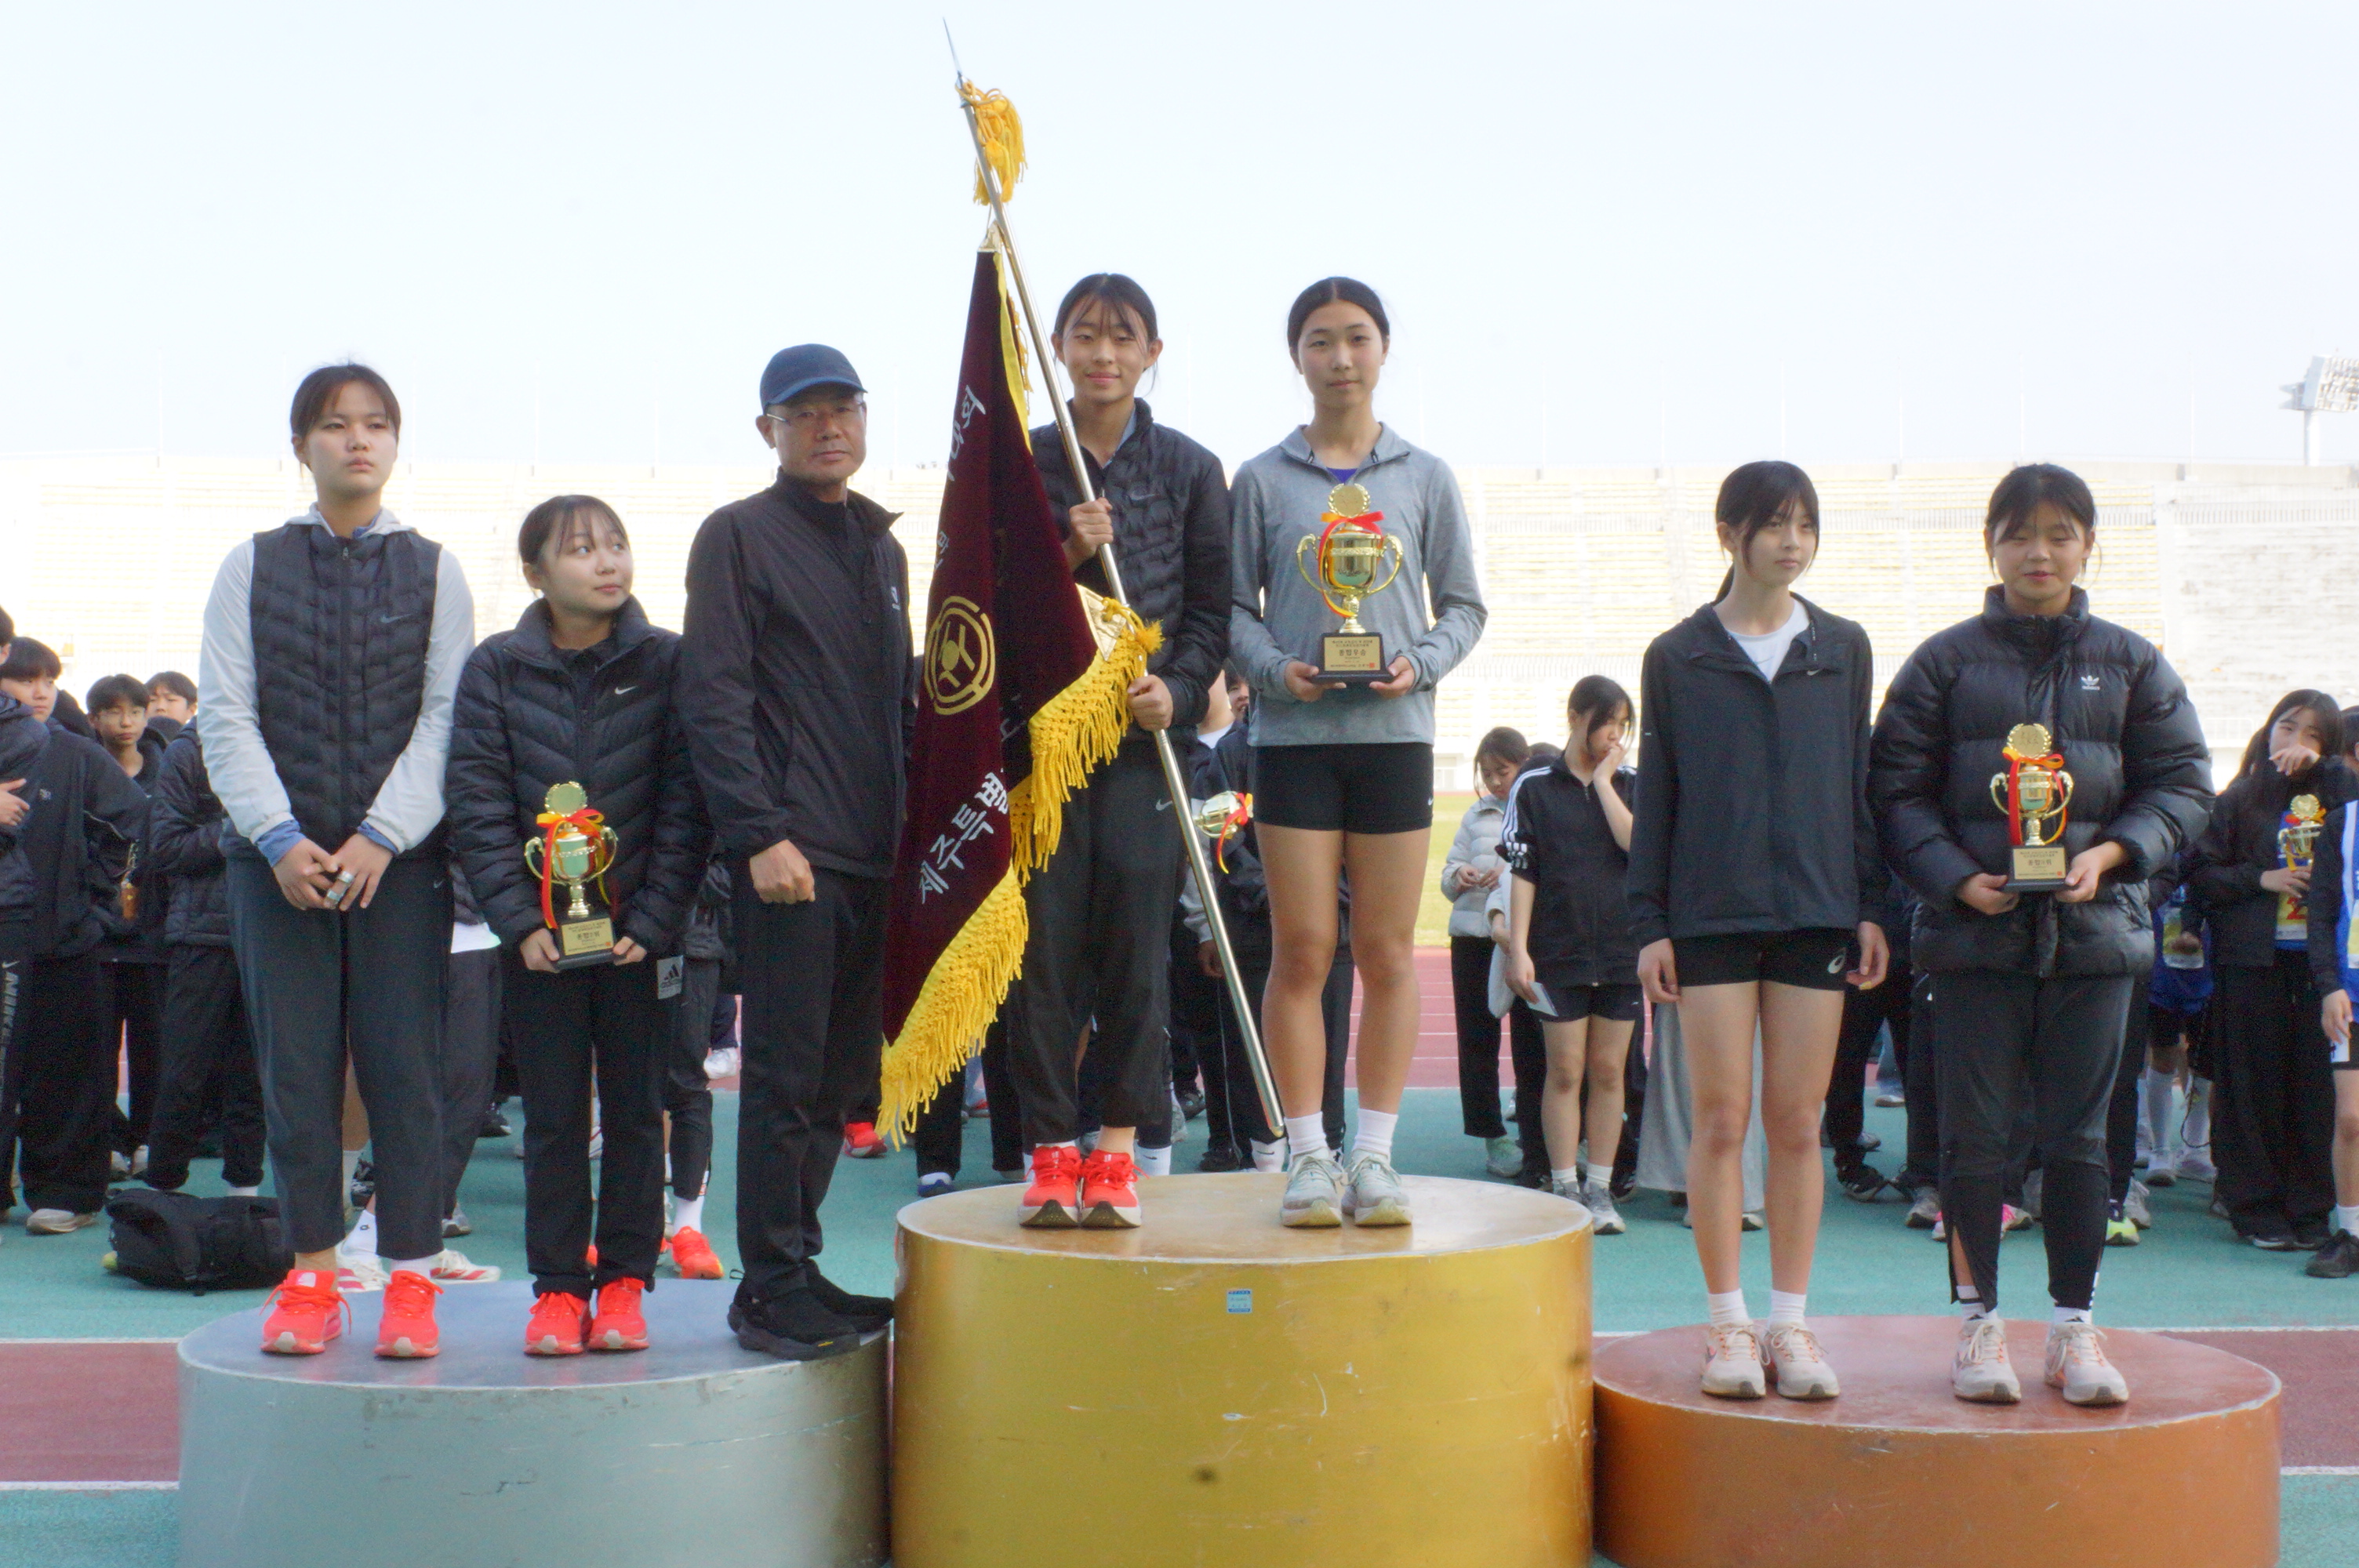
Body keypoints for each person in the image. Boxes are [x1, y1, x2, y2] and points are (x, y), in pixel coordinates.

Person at [1872, 463, 2212, 1408]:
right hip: (1971, 940)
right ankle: (1976, 1324)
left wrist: (2112, 853)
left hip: (2096, 937)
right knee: (1971, 1143)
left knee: (2079, 1144)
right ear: (1989, 544)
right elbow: (1892, 792)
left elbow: (2183, 785)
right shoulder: (1941, 663)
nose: (2038, 551)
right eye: (2018, 533)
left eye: (2059, 533)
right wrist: (1952, 877)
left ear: (2087, 546)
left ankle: (2071, 1325)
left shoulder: (2132, 662)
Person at [198, 364, 475, 1358]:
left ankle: (410, 1276)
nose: (357, 439)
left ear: (395, 443)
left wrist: (382, 835)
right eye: (334, 424)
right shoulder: (250, 565)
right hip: (275, 869)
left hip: (400, 868)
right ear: (300, 446)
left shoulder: (437, 569)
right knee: (296, 1074)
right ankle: (312, 1274)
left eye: (376, 424)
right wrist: (276, 836)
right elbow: (225, 712)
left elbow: (447, 717)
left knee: (405, 1074)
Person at [1230, 277, 1488, 1229]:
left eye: (1355, 338)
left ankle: (1372, 1156)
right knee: (1302, 948)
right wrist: (1273, 670)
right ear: (1295, 356)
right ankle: (1305, 1154)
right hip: (1292, 740)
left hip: (1394, 739)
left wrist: (1419, 662)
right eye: (1319, 340)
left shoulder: (1425, 476)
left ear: (1382, 348)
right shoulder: (1261, 479)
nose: (1339, 358)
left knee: (1383, 950)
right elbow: (1232, 608)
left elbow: (1463, 605)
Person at [1629, 460, 1888, 1403]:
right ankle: (1727, 1323)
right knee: (1719, 1119)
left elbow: (1858, 783)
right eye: (1774, 523)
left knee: (1794, 1121)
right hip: (1709, 916)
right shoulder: (1676, 655)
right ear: (1727, 534)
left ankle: (1788, 1320)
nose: (1792, 541)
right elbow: (1658, 796)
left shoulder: (1843, 646)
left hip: (1816, 913)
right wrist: (1649, 921)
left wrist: (1869, 902)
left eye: (1804, 524)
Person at [678, 344, 907, 1359]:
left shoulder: (883, 548)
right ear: (767, 430)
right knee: (781, 1075)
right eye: (803, 413)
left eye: (842, 408)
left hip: (870, 854)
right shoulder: (736, 535)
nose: (827, 427)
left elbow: (898, 705)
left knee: (837, 1080)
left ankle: (798, 1264)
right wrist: (759, 834)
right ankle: (766, 1284)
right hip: (790, 855)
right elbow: (713, 696)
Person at [447, 493, 707, 1356]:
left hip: (640, 940)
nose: (607, 561)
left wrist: (658, 917)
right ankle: (558, 1290)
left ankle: (626, 1282)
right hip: (539, 945)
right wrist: (518, 919)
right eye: (582, 548)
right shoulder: (495, 667)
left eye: (616, 544)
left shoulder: (670, 661)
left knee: (636, 1113)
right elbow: (478, 802)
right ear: (535, 573)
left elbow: (688, 802)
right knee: (554, 1121)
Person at [1006, 274, 1229, 1229]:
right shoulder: (1021, 462)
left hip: (1145, 751)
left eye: (1122, 335)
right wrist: (1061, 551)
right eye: (1085, 334)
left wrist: (1175, 688)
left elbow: (1213, 611)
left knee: (1138, 954)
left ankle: (1115, 1150)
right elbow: (982, 607)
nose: (1103, 352)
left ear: (1152, 353)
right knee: (1044, 955)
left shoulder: (1190, 468)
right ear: (1056, 346)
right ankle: (1049, 1150)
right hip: (1046, 747)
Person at [2186, 691, 2346, 1251]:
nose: (2296, 741)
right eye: (2287, 727)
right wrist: (2262, 879)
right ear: (2268, 730)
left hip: (2324, 969)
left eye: (2314, 734)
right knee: (2251, 1087)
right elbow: (2201, 876)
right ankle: (2254, 1207)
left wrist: (2326, 769)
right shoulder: (2240, 798)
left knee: (2316, 1090)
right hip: (2251, 962)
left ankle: (2311, 1207)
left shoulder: (2339, 795)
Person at [0, 637, 148, 1234]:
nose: (39, 692)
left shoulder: (74, 753)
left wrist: (94, 901)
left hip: (61, 937)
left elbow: (132, 821)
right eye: (25, 679)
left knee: (65, 1068)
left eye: (49, 680)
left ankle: (66, 1191)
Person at [1503, 678, 1641, 1233]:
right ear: (1576, 717)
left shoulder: (1631, 783)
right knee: (1564, 1070)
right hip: (1557, 951)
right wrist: (1518, 948)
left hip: (1622, 951)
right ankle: (1563, 1186)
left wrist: (1605, 782)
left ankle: (1599, 1189)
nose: (1615, 735)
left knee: (1609, 1071)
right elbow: (1523, 870)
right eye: (1607, 722)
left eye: (1623, 725)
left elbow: (1638, 846)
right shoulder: (1534, 786)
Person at [139, 723, 265, 1200]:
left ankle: (245, 1190)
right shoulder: (189, 751)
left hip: (272, 931)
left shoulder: (287, 739)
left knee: (256, 1072)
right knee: (184, 1068)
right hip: (202, 935)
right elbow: (166, 848)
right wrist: (245, 825)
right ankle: (162, 1190)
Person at [86, 673, 170, 1175]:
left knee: (154, 1044)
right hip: (93, 932)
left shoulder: (169, 772)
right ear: (94, 718)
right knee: (95, 1047)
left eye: (136, 711)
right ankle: (109, 1140)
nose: (126, 722)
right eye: (114, 712)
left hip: (154, 933)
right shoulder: (80, 770)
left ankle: (147, 1139)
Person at [1443, 726, 1534, 1180]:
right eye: (1487, 773)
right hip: (1473, 939)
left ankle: (1536, 1127)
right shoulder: (1475, 815)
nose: (1495, 781)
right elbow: (1448, 873)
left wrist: (1510, 872)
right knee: (1477, 1040)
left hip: (1522, 941)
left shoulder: (1537, 804)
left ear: (1523, 765)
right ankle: (1491, 1134)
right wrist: (1459, 875)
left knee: (1532, 1038)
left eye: (1503, 770)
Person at [2303, 776, 2359, 1278]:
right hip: (2352, 997)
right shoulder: (2344, 822)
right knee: (2351, 1119)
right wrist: (2328, 985)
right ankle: (2351, 1233)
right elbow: (2320, 913)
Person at [145, 672, 198, 741]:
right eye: (152, 700)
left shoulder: (200, 743)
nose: (160, 707)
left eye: (171, 700)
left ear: (191, 710)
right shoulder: (134, 744)